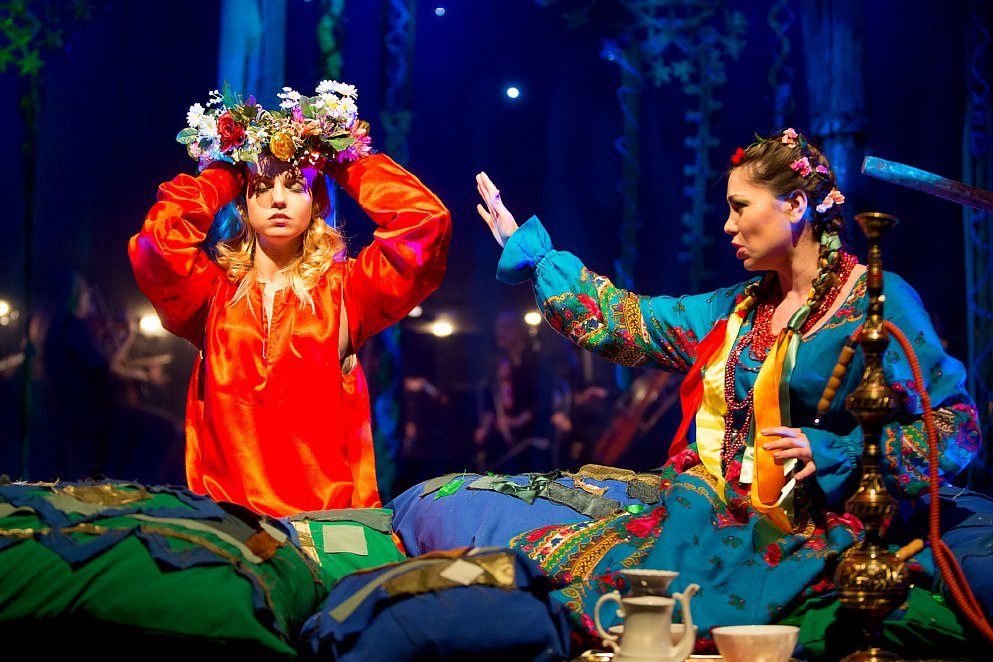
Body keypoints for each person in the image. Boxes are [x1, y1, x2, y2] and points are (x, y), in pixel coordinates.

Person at [474, 129, 981, 648]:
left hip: (821, 515)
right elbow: (629, 321)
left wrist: (839, 451)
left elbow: (956, 429)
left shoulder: (878, 300)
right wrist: (537, 257)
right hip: (718, 506)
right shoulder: (738, 310)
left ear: (796, 205)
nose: (728, 225)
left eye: (740, 207)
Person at [129, 81, 451, 518]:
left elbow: (425, 223)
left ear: (316, 203)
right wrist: (225, 174)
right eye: (261, 185)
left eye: (296, 185)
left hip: (324, 526)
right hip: (229, 524)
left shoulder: (347, 290)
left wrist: (342, 161)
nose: (278, 199)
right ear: (242, 203)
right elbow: (157, 243)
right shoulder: (211, 292)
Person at [473, 309, 552, 473]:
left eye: (507, 327)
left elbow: (544, 399)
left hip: (532, 438)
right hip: (504, 439)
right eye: (498, 327)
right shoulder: (498, 364)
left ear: (520, 331)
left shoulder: (536, 361)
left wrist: (518, 421)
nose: (500, 332)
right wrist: (484, 429)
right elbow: (491, 401)